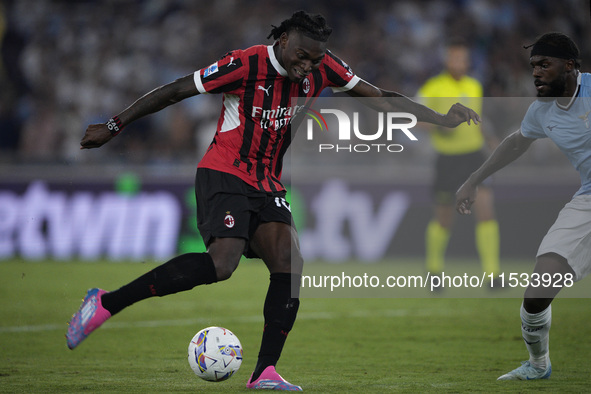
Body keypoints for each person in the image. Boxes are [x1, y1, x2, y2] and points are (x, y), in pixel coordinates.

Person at [66, 10, 480, 391]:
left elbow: (382, 97)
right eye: (301, 55)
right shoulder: (244, 64)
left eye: (315, 61)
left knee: (289, 261)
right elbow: (177, 90)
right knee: (221, 264)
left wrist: (440, 119)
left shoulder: (325, 66)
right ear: (282, 41)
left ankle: (264, 371)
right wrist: (114, 124)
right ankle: (105, 303)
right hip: (224, 172)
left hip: (266, 182)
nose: (308, 66)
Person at [456, 32, 588, 380]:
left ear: (570, 66)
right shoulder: (542, 112)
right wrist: (474, 179)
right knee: (537, 292)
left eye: (545, 64)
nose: (536, 72)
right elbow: (516, 143)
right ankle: (538, 364)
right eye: (533, 66)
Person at [417, 38, 500, 283]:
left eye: (463, 59)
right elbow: (413, 118)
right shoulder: (433, 88)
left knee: (485, 208)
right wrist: (440, 126)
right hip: (447, 160)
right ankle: (434, 271)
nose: (459, 63)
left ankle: (492, 275)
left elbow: (479, 118)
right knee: (444, 218)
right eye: (455, 58)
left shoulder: (475, 86)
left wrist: (491, 139)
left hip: (474, 157)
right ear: (447, 61)